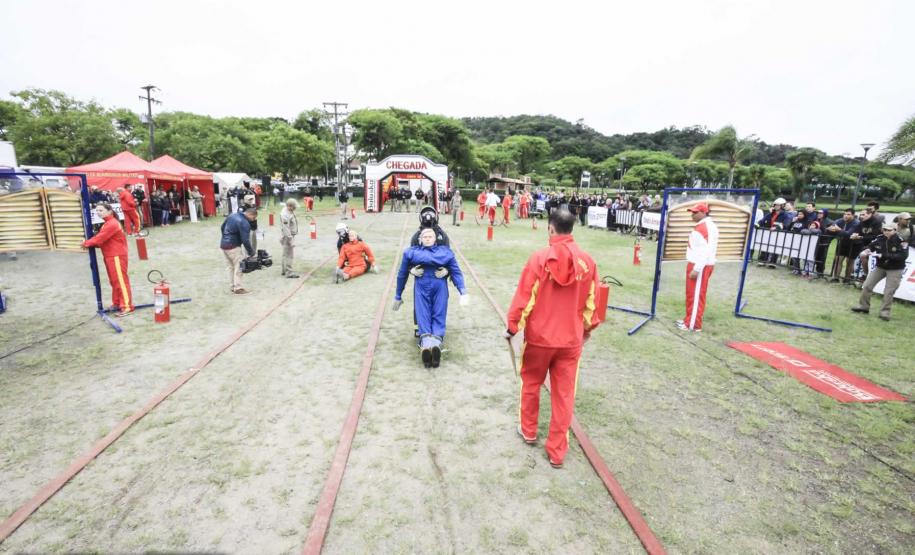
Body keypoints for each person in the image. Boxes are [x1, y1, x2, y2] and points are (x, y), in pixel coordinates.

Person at [505, 208, 601, 469]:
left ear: (550, 228)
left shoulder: (539, 259)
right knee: (564, 395)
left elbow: (525, 297)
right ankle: (557, 451)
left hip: (539, 339)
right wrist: (586, 329)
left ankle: (528, 430)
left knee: (531, 383)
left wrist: (513, 327)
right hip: (570, 341)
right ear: (572, 228)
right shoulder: (588, 262)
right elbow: (593, 302)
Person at [394, 227, 469, 368]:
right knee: (422, 314)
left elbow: (456, 271)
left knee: (439, 313)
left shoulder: (445, 252)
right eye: (425, 237)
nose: (428, 238)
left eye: (430, 236)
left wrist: (463, 291)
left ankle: (435, 344)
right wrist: (398, 295)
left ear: (435, 239)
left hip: (439, 285)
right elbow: (402, 274)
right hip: (421, 286)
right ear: (420, 239)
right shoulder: (411, 252)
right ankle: (427, 344)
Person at [81, 203, 134, 317]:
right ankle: (117, 303)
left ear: (109, 211)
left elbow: (100, 238)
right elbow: (103, 241)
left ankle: (127, 306)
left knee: (120, 281)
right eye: (97, 211)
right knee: (114, 281)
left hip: (116, 256)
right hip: (110, 256)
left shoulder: (112, 223)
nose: (98, 212)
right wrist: (91, 244)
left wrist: (86, 243)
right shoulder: (107, 223)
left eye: (101, 210)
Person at [851, 222, 908, 320]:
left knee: (889, 291)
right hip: (880, 267)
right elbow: (871, 246)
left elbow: (903, 256)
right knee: (867, 285)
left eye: (889, 230)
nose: (886, 232)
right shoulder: (880, 238)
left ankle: (884, 313)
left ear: (895, 230)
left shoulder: (901, 241)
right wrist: (866, 250)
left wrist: (884, 256)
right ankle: (863, 307)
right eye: (884, 230)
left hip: (895, 268)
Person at [676, 203, 719, 332]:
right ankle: (689, 319)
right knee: (691, 294)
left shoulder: (706, 227)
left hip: (700, 265)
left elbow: (706, 251)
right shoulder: (703, 226)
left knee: (696, 295)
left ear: (704, 213)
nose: (692, 215)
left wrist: (697, 268)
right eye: (692, 212)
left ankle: (693, 324)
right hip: (697, 263)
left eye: (695, 212)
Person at [220, 207, 257, 294]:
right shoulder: (244, 222)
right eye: (254, 218)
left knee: (231, 267)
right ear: (251, 215)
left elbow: (222, 227)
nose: (253, 220)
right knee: (239, 266)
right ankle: (238, 288)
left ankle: (232, 286)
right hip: (233, 246)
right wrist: (251, 252)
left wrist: (225, 237)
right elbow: (245, 240)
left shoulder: (232, 215)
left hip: (224, 245)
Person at [279, 198, 300, 278]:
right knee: (289, 254)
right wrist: (291, 240)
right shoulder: (285, 215)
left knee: (285, 253)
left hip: (288, 235)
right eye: (294, 207)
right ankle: (289, 272)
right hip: (288, 236)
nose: (295, 208)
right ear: (289, 206)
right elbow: (286, 229)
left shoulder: (288, 210)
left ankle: (284, 270)